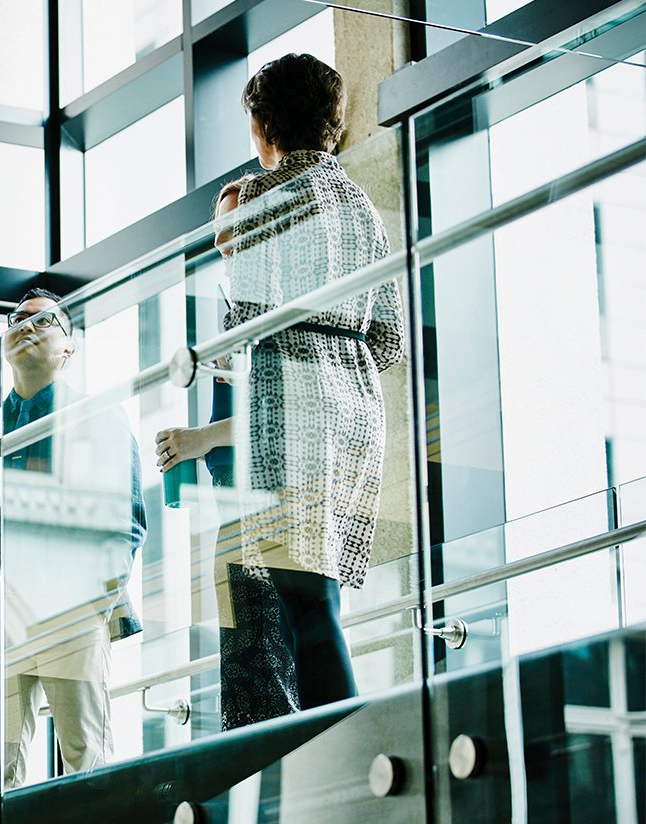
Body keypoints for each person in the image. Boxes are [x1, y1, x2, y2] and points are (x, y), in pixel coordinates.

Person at [154, 53, 406, 730]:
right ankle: (333, 752)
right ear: (331, 123)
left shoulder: (263, 199)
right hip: (354, 412)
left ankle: (344, 748)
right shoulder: (360, 207)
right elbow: (389, 341)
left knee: (299, 602)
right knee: (312, 592)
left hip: (288, 407)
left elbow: (245, 328)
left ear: (263, 124)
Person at [0, 289, 146, 794]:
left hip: (69, 610)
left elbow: (126, 520)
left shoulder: (98, 416)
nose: (26, 328)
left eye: (43, 322)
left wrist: (95, 600)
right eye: (16, 321)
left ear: (69, 348)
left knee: (87, 759)